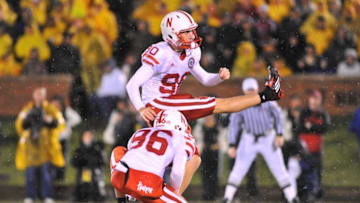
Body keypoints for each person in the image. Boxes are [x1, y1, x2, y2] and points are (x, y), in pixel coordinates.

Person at [126, 10, 283, 194]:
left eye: (192, 30)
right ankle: (267, 95)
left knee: (194, 158)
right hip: (158, 104)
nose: (192, 35)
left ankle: (171, 196)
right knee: (216, 105)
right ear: (171, 34)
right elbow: (132, 84)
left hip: (171, 103)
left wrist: (218, 77)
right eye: (185, 32)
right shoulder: (160, 53)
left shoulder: (192, 51)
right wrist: (141, 108)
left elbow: (205, 79)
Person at [223, 78, 299, 203]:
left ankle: (292, 197)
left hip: (267, 137)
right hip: (249, 138)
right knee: (239, 168)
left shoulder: (266, 101)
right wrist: (232, 144)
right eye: (248, 90)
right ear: (244, 91)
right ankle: (227, 197)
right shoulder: (241, 103)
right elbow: (234, 124)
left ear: (256, 90)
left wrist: (280, 133)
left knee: (279, 169)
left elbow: (278, 115)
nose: (250, 92)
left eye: (252, 90)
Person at [110, 110, 192, 203]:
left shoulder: (139, 133)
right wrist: (173, 192)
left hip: (124, 178)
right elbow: (177, 172)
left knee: (118, 151)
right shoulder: (181, 139)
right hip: (149, 186)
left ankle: (122, 199)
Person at [15, 88, 65, 203]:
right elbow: (20, 125)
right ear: (34, 95)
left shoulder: (50, 109)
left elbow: (59, 122)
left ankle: (47, 196)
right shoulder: (27, 109)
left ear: (44, 96)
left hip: (46, 148)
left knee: (46, 175)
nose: (39, 97)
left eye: (41, 95)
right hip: (31, 148)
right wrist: (29, 120)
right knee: (30, 175)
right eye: (37, 94)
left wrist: (50, 121)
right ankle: (30, 196)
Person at [297, 89, 330, 202]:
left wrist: (311, 127)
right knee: (303, 172)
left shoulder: (322, 113)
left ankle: (315, 194)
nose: (314, 102)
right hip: (304, 149)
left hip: (317, 149)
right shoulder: (304, 112)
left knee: (317, 172)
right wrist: (313, 128)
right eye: (313, 99)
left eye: (317, 99)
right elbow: (299, 128)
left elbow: (324, 128)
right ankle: (303, 194)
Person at [50, 95, 82, 181]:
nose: (56, 107)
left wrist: (67, 124)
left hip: (63, 139)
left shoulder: (66, 112)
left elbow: (77, 119)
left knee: (63, 158)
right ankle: (53, 175)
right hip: (52, 140)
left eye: (57, 105)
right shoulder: (50, 113)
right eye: (54, 104)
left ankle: (61, 176)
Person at [71, 130, 106, 202]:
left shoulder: (97, 149)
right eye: (85, 136)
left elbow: (102, 161)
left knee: (97, 194)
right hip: (83, 176)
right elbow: (74, 162)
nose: (87, 139)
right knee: (82, 193)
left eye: (89, 136)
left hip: (95, 176)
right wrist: (82, 160)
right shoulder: (79, 150)